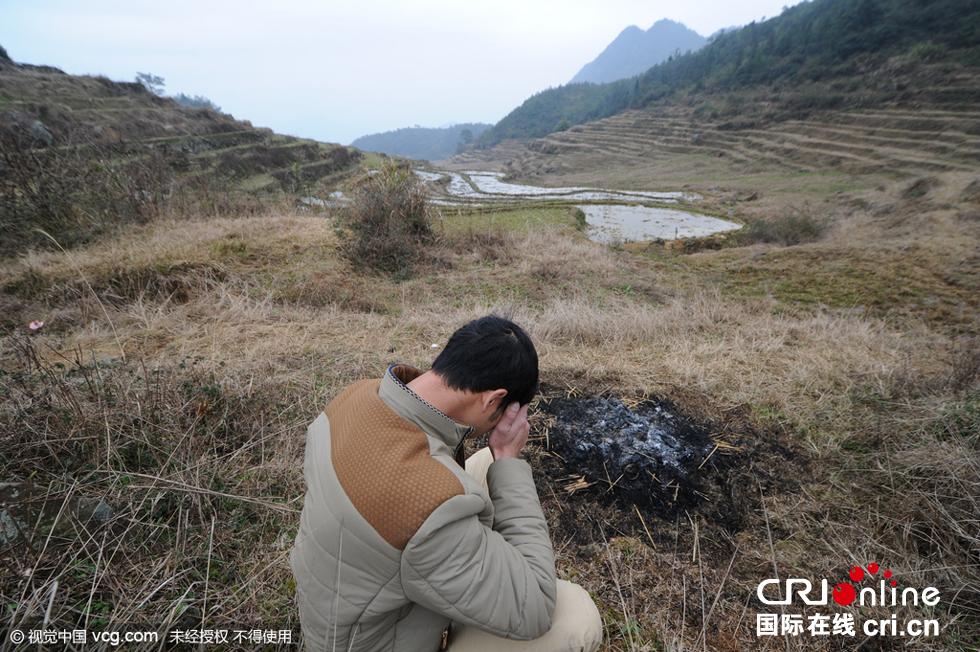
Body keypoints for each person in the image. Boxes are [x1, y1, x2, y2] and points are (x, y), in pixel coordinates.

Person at [290, 315, 603, 652]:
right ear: (491, 399)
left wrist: (498, 456)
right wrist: (509, 458)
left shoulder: (356, 396)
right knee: (573, 615)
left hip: (344, 599)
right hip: (376, 642)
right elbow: (536, 607)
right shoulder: (428, 511)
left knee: (485, 462)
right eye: (504, 410)